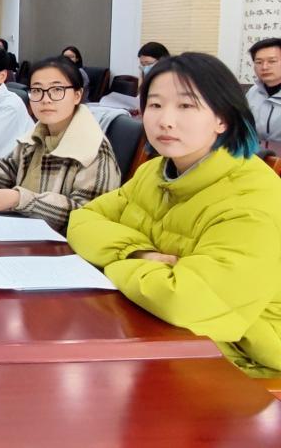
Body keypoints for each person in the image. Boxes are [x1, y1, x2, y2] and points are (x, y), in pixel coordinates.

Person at [68, 53, 281, 378]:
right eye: (155, 105)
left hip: (241, 359)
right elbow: (83, 221)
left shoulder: (251, 198)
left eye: (186, 106)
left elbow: (185, 301)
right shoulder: (154, 172)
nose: (166, 120)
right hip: (162, 328)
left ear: (222, 119)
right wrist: (136, 252)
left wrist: (111, 263)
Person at [0, 57, 121, 233]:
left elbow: (88, 215)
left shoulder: (93, 148)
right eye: (37, 90)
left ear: (77, 95)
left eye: (57, 90)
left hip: (62, 242)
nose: (46, 99)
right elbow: (12, 167)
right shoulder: (38, 134)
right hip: (25, 229)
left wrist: (20, 200)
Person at [246, 37, 281, 145]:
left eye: (272, 61)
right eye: (259, 62)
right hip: (255, 152)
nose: (264, 67)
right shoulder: (252, 92)